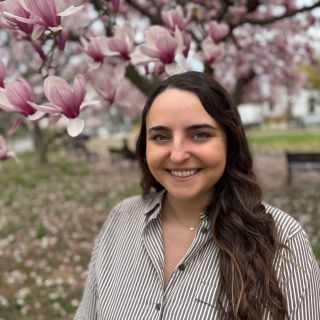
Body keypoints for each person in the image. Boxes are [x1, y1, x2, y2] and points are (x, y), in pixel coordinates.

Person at [75, 71, 320, 320]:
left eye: (200, 134)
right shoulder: (121, 219)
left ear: (230, 141)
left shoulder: (282, 239)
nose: (178, 154)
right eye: (161, 137)